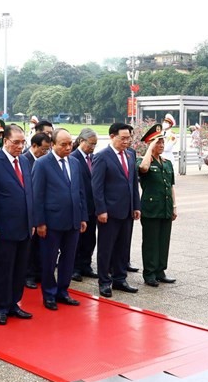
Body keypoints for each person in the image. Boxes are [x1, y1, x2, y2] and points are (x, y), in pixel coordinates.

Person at [0, 124, 34, 325]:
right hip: (3, 228)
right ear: (5, 141)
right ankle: (1, 307)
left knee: (20, 269)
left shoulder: (25, 162)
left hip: (25, 227)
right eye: (16, 142)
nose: (20, 146)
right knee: (4, 269)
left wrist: (33, 221)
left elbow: (29, 193)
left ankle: (14, 304)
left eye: (23, 142)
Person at [32, 128, 87, 310]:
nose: (68, 147)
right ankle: (49, 294)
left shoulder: (75, 163)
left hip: (73, 220)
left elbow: (80, 192)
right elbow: (37, 196)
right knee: (49, 259)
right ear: (53, 145)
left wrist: (82, 216)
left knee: (69, 258)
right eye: (63, 144)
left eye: (70, 143)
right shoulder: (42, 164)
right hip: (51, 221)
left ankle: (63, 291)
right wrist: (39, 222)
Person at [91, 123, 141, 298]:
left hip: (127, 210)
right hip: (109, 213)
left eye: (129, 138)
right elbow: (96, 187)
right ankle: (104, 282)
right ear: (112, 136)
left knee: (123, 246)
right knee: (106, 248)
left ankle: (120, 279)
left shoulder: (130, 155)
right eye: (123, 138)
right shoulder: (102, 157)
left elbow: (133, 183)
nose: (127, 141)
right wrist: (101, 210)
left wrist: (136, 206)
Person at [136, 125, 177, 287]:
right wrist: (149, 150)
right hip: (151, 209)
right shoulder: (143, 160)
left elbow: (171, 186)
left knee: (163, 240)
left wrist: (174, 206)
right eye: (157, 143)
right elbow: (144, 168)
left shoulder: (166, 163)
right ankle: (149, 273)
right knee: (151, 242)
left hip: (165, 207)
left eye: (162, 142)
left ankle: (160, 270)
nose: (161, 145)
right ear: (150, 144)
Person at [23, 132, 52, 289]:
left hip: (43, 209)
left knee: (42, 245)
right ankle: (28, 275)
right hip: (28, 210)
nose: (46, 152)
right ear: (34, 146)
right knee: (30, 246)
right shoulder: (24, 160)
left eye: (48, 149)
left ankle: (40, 272)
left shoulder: (46, 161)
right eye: (44, 148)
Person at [71, 128, 98, 281]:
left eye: (95, 144)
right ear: (81, 141)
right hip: (80, 205)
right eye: (91, 144)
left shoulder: (93, 158)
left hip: (92, 205)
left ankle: (86, 265)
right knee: (78, 239)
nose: (93, 147)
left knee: (90, 238)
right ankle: (75, 268)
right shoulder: (73, 158)